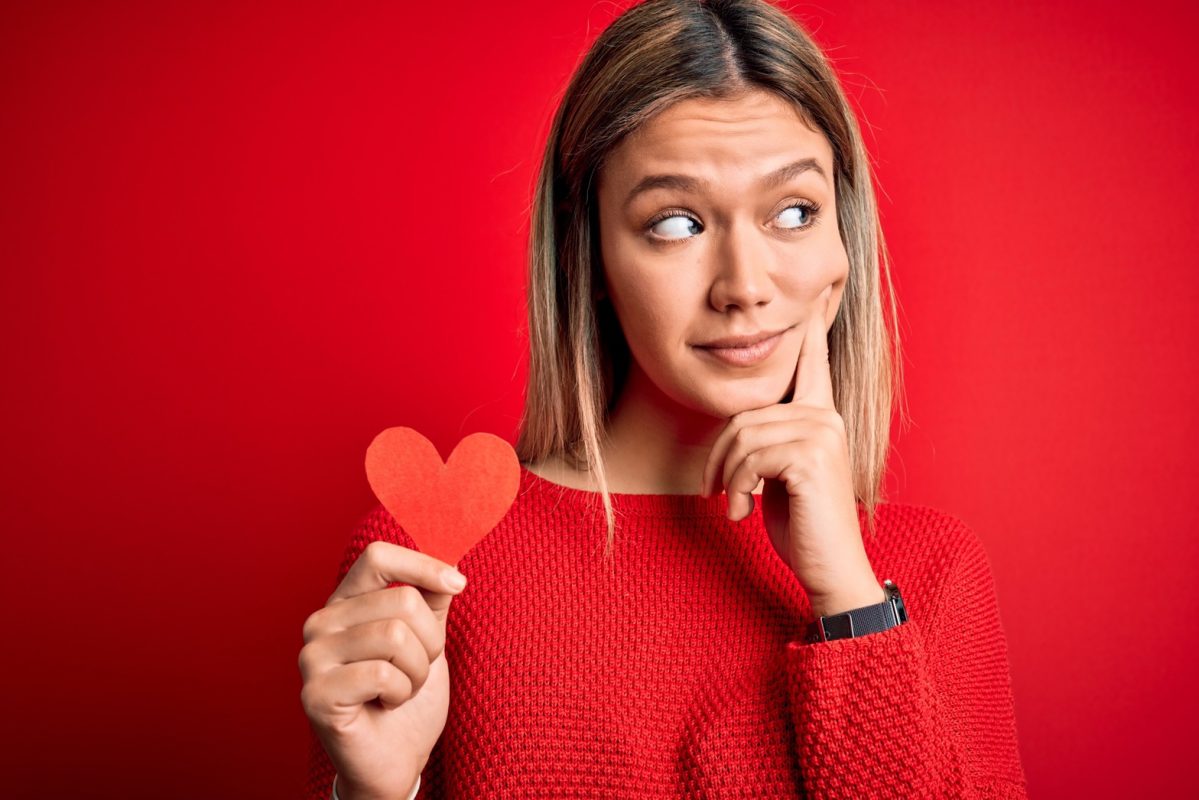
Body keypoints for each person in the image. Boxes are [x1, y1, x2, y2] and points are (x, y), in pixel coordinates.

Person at [298, 0, 1029, 797]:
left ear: (840, 245)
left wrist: (849, 603)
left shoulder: (930, 573)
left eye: (794, 212)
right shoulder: (433, 560)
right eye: (675, 223)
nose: (745, 287)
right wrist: (376, 793)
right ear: (588, 252)